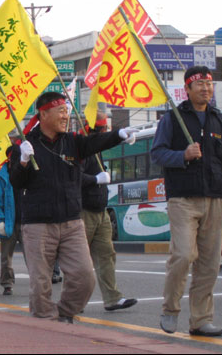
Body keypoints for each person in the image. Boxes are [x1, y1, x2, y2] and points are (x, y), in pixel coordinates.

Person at [10, 91, 137, 322]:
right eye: (60, 111)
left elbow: (95, 142)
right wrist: (23, 161)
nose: (65, 116)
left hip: (71, 222)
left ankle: (64, 313)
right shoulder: (25, 144)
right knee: (41, 283)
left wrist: (119, 134)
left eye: (66, 111)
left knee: (84, 276)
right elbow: (16, 181)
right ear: (44, 113)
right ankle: (44, 325)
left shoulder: (72, 142)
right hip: (38, 225)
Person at [151, 66, 222, 337]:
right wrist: (183, 155)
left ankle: (200, 320)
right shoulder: (173, 119)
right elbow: (158, 153)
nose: (206, 89)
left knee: (209, 263)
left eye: (209, 85)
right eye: (199, 85)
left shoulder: (220, 120)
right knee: (184, 255)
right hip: (183, 199)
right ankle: (170, 309)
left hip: (215, 199)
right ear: (187, 89)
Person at [81, 113, 137, 311]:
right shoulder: (83, 150)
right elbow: (71, 178)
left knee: (107, 254)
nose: (106, 131)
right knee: (79, 260)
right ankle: (74, 301)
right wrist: (94, 179)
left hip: (101, 211)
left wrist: (121, 137)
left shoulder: (99, 150)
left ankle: (112, 298)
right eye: (104, 129)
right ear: (95, 130)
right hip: (83, 211)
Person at [0, 145, 25, 296]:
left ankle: (39, 283)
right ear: (9, 158)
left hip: (28, 221)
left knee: (34, 256)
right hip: (9, 221)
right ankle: (7, 283)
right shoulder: (2, 176)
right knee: (6, 256)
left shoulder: (28, 172)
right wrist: (1, 220)